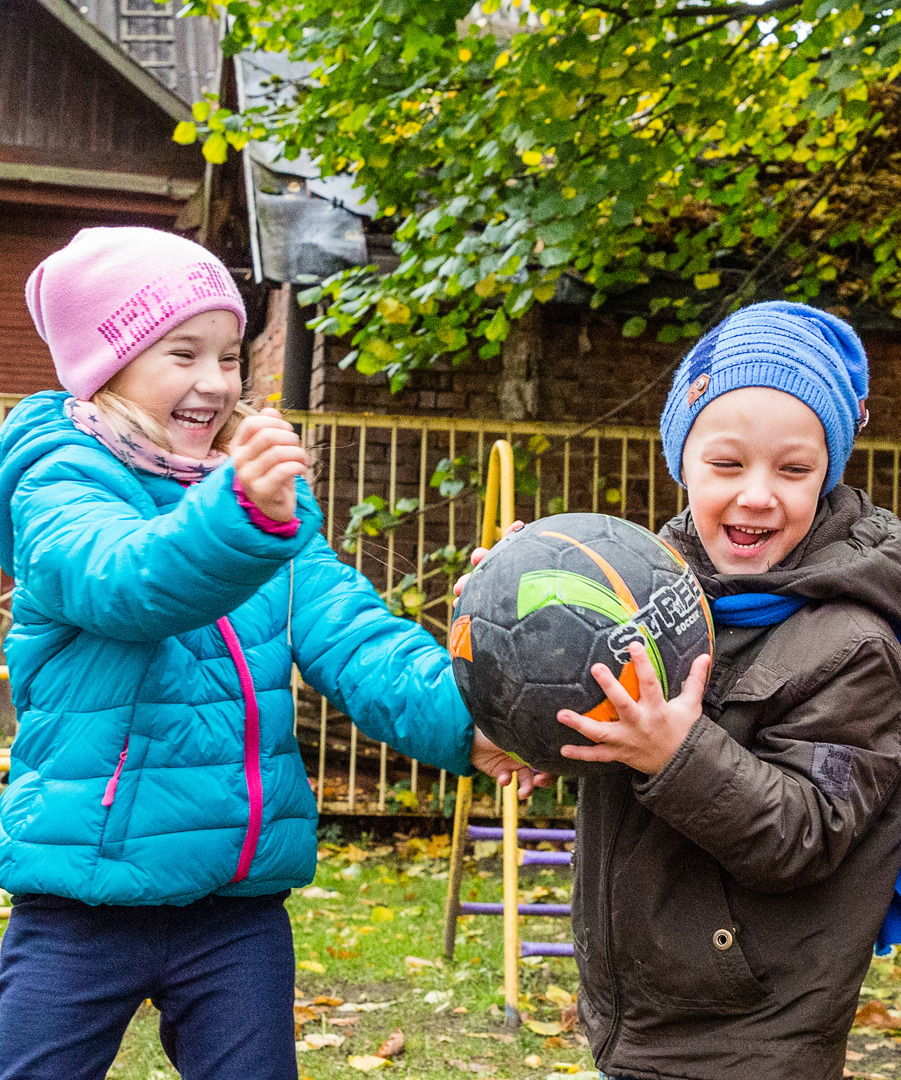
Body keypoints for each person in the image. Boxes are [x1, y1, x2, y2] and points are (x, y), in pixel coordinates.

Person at [0, 226, 543, 1080]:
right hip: (86, 893)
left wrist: (470, 719)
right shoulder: (59, 482)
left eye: (230, 355)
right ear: (106, 366)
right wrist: (240, 516)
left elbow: (355, 638)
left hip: (237, 904)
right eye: (184, 353)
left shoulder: (261, 503)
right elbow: (126, 584)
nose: (216, 383)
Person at [460, 301, 901, 1080]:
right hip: (646, 1009)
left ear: (827, 473)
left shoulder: (853, 643)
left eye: (793, 470)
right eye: (726, 465)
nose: (757, 494)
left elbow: (807, 830)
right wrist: (513, 633)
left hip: (756, 1031)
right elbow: (610, 713)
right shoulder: (648, 588)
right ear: (682, 462)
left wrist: (675, 753)